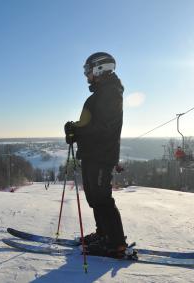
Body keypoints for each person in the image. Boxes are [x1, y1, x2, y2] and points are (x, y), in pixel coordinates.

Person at [64, 52, 127, 258]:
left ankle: (115, 243)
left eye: (87, 70)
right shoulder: (101, 93)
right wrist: (74, 130)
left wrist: (78, 130)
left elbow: (103, 127)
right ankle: (104, 234)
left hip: (102, 155)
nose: (86, 75)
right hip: (93, 153)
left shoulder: (110, 93)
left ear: (99, 69)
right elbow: (90, 124)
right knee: (94, 198)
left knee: (102, 198)